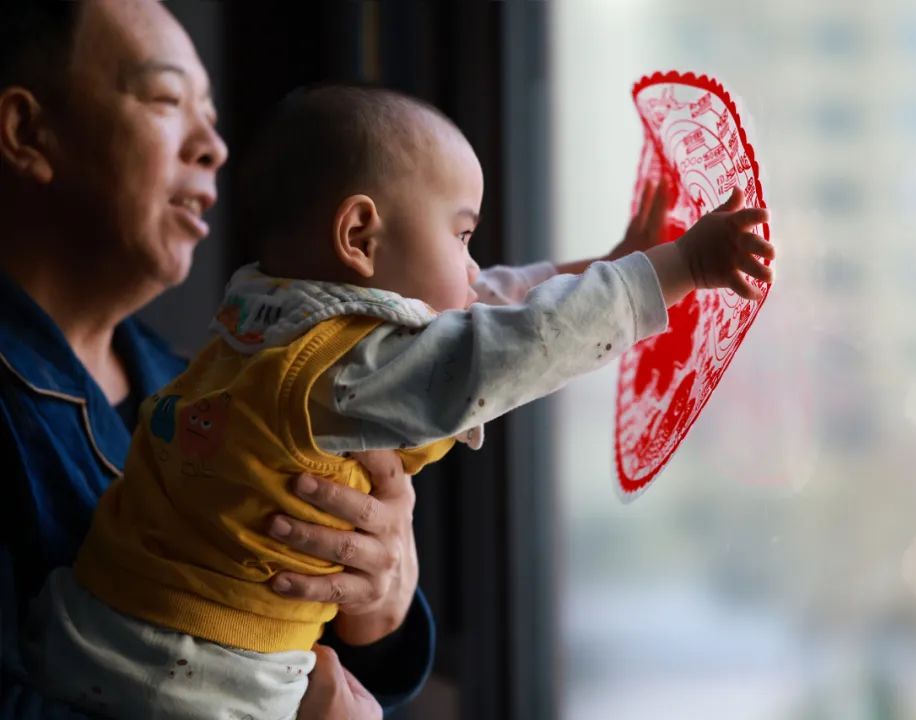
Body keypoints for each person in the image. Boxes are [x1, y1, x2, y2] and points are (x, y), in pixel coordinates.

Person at [0, 2, 692, 717]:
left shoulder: (198, 371)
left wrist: (380, 608)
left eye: (210, 113)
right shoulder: (280, 369)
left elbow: (480, 301)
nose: (213, 145)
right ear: (27, 131)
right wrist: (653, 280)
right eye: (166, 99)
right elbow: (497, 344)